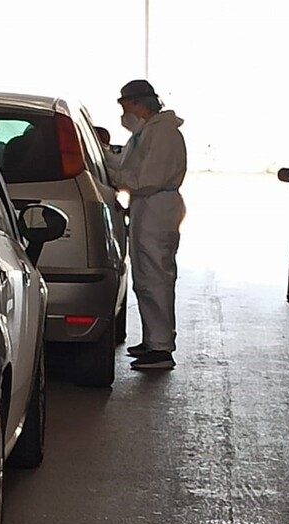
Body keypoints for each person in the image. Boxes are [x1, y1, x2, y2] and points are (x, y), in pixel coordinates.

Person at [105, 80, 186, 370]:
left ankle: (162, 347)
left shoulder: (163, 133)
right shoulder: (147, 132)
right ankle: (154, 340)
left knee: (156, 276)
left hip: (157, 207)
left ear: (139, 104)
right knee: (145, 275)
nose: (124, 112)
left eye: (126, 105)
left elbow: (146, 177)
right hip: (146, 207)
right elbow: (129, 166)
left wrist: (117, 180)